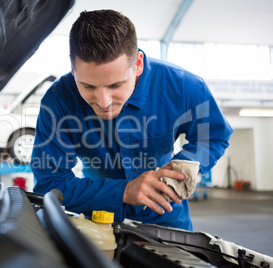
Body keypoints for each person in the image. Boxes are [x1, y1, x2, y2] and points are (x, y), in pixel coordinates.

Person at [30, 9, 233, 231]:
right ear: (73, 69)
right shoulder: (57, 100)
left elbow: (213, 136)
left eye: (116, 85)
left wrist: (179, 170)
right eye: (88, 86)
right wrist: (124, 191)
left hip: (166, 218)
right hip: (96, 219)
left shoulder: (185, 87)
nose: (103, 101)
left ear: (138, 64)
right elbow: (49, 184)